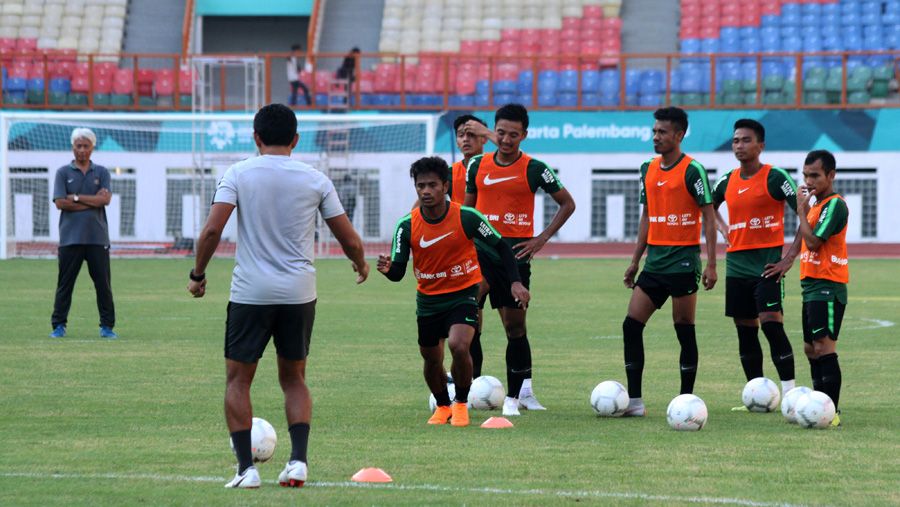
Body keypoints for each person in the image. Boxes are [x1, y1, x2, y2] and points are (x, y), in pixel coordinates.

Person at [187, 104, 368, 489]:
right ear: (295, 140)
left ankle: (246, 470)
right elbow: (348, 237)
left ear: (256, 138)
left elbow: (211, 231)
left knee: (238, 380)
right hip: (299, 293)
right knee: (294, 378)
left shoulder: (238, 173)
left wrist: (198, 274)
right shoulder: (315, 179)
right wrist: (360, 263)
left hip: (251, 292)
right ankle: (298, 462)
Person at [378, 156, 530, 427]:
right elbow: (398, 273)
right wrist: (388, 270)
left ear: (445, 186)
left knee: (459, 345)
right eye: (421, 186)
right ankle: (442, 405)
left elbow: (502, 247)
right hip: (428, 301)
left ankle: (460, 403)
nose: (426, 191)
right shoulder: (406, 225)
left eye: (432, 185)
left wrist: (515, 282)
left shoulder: (466, 217)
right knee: (431, 358)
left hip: (463, 294)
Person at [463, 104, 576, 416]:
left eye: (513, 135)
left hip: (515, 257)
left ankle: (518, 395)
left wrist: (542, 238)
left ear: (524, 135)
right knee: (468, 318)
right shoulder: (477, 166)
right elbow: (467, 213)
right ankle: (469, 388)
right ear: (494, 131)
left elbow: (567, 204)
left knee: (515, 328)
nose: (506, 139)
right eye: (501, 132)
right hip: (480, 253)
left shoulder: (535, 168)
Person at [620, 107, 717, 417]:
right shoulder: (647, 169)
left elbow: (709, 217)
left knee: (683, 328)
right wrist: (635, 260)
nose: (656, 137)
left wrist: (712, 264)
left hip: (683, 262)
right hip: (655, 264)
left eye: (662, 132)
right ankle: (635, 402)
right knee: (631, 325)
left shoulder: (693, 170)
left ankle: (686, 400)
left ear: (679, 135)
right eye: (654, 131)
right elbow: (647, 216)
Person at [712, 119, 798, 407]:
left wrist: (788, 258)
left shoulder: (776, 177)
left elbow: (806, 215)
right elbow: (708, 207)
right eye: (736, 140)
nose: (739, 145)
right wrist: (722, 227)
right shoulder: (727, 180)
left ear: (761, 145)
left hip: (767, 267)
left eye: (746, 140)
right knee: (745, 331)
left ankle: (790, 395)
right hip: (736, 266)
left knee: (772, 326)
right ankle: (756, 395)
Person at [796, 149, 848, 428]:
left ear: (831, 175)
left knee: (824, 347)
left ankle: (831, 412)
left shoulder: (834, 205)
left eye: (815, 175)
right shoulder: (816, 206)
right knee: (810, 348)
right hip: (811, 285)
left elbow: (814, 242)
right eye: (805, 175)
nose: (808, 181)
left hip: (828, 285)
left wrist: (800, 211)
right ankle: (819, 406)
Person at [49, 128, 117, 339]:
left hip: (97, 238)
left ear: (92, 148)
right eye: (78, 146)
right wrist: (93, 201)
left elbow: (105, 200)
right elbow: (60, 203)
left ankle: (107, 327)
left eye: (86, 146)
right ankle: (59, 325)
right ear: (73, 147)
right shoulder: (62, 172)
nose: (82, 150)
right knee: (65, 284)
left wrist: (76, 198)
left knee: (103, 285)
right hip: (70, 238)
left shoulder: (102, 172)